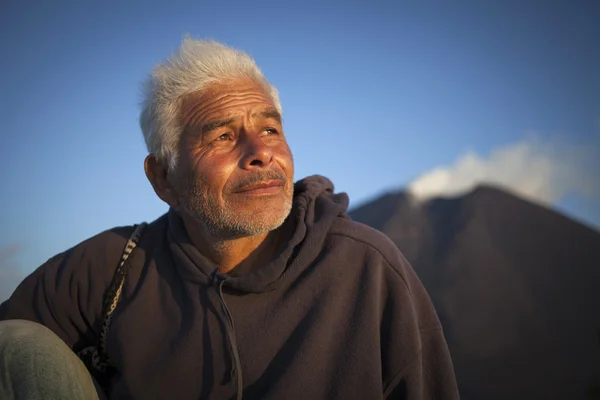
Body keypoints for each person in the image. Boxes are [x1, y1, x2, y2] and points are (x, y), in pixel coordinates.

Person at [0, 37, 459, 400]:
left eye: (270, 129)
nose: (261, 153)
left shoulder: (368, 269)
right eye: (222, 135)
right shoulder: (111, 269)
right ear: (163, 178)